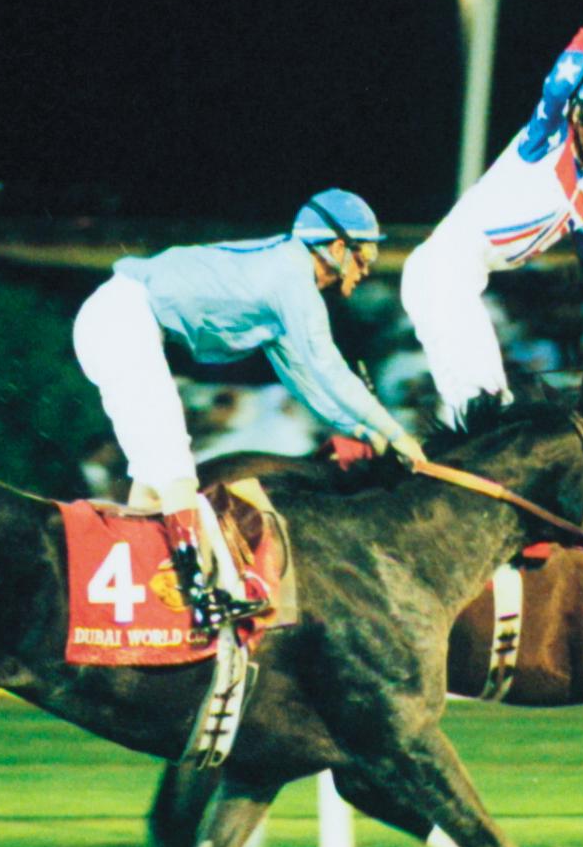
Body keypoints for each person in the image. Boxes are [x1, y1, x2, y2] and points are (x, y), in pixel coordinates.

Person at [72, 188, 426, 633]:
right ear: (336, 247)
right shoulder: (292, 282)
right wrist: (394, 432)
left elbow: (302, 378)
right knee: (177, 472)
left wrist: (356, 425)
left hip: (121, 317)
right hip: (123, 320)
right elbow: (329, 367)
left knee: (152, 486)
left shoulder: (284, 282)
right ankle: (198, 600)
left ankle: (149, 607)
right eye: (364, 253)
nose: (368, 266)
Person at [401, 0, 583, 422]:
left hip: (465, 283)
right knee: (481, 412)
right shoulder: (548, 135)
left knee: (497, 409)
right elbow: (560, 81)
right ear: (577, 112)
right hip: (440, 270)